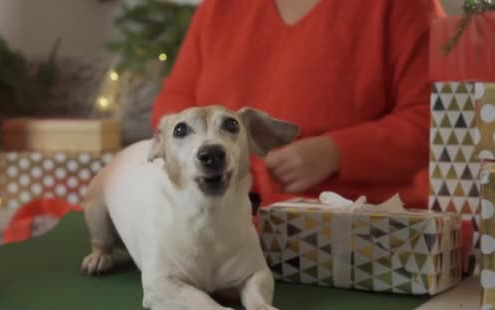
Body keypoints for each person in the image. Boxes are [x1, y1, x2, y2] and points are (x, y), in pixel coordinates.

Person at [150, 0, 446, 210]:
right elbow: (173, 103)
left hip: (360, 228)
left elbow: (436, 120)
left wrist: (337, 153)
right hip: (221, 219)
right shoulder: (219, 7)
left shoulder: (404, 6)